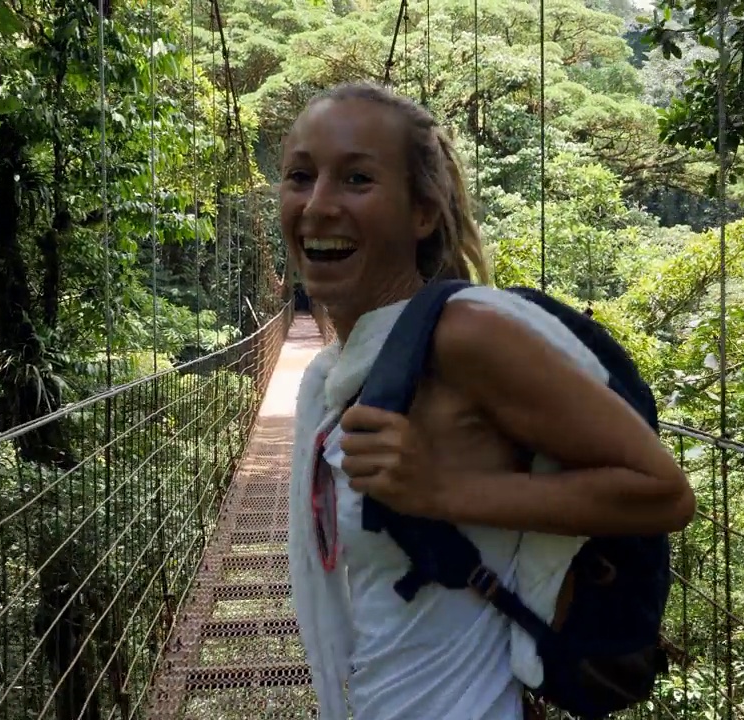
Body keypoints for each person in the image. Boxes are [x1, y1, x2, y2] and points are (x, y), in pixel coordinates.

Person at [281, 81, 695, 720]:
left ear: (422, 212)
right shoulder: (337, 371)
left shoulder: (466, 333)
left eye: (357, 179)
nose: (317, 206)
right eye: (300, 177)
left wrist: (440, 492)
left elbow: (664, 492)